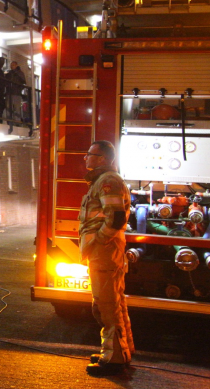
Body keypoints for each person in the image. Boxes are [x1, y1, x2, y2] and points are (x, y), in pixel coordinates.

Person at [80, 140, 134, 376]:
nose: (85, 158)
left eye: (90, 154)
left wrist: (98, 241)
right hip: (107, 252)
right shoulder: (104, 181)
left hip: (105, 252)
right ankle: (120, 351)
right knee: (115, 304)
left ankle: (112, 359)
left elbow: (116, 219)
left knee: (106, 306)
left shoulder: (108, 181)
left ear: (102, 159)